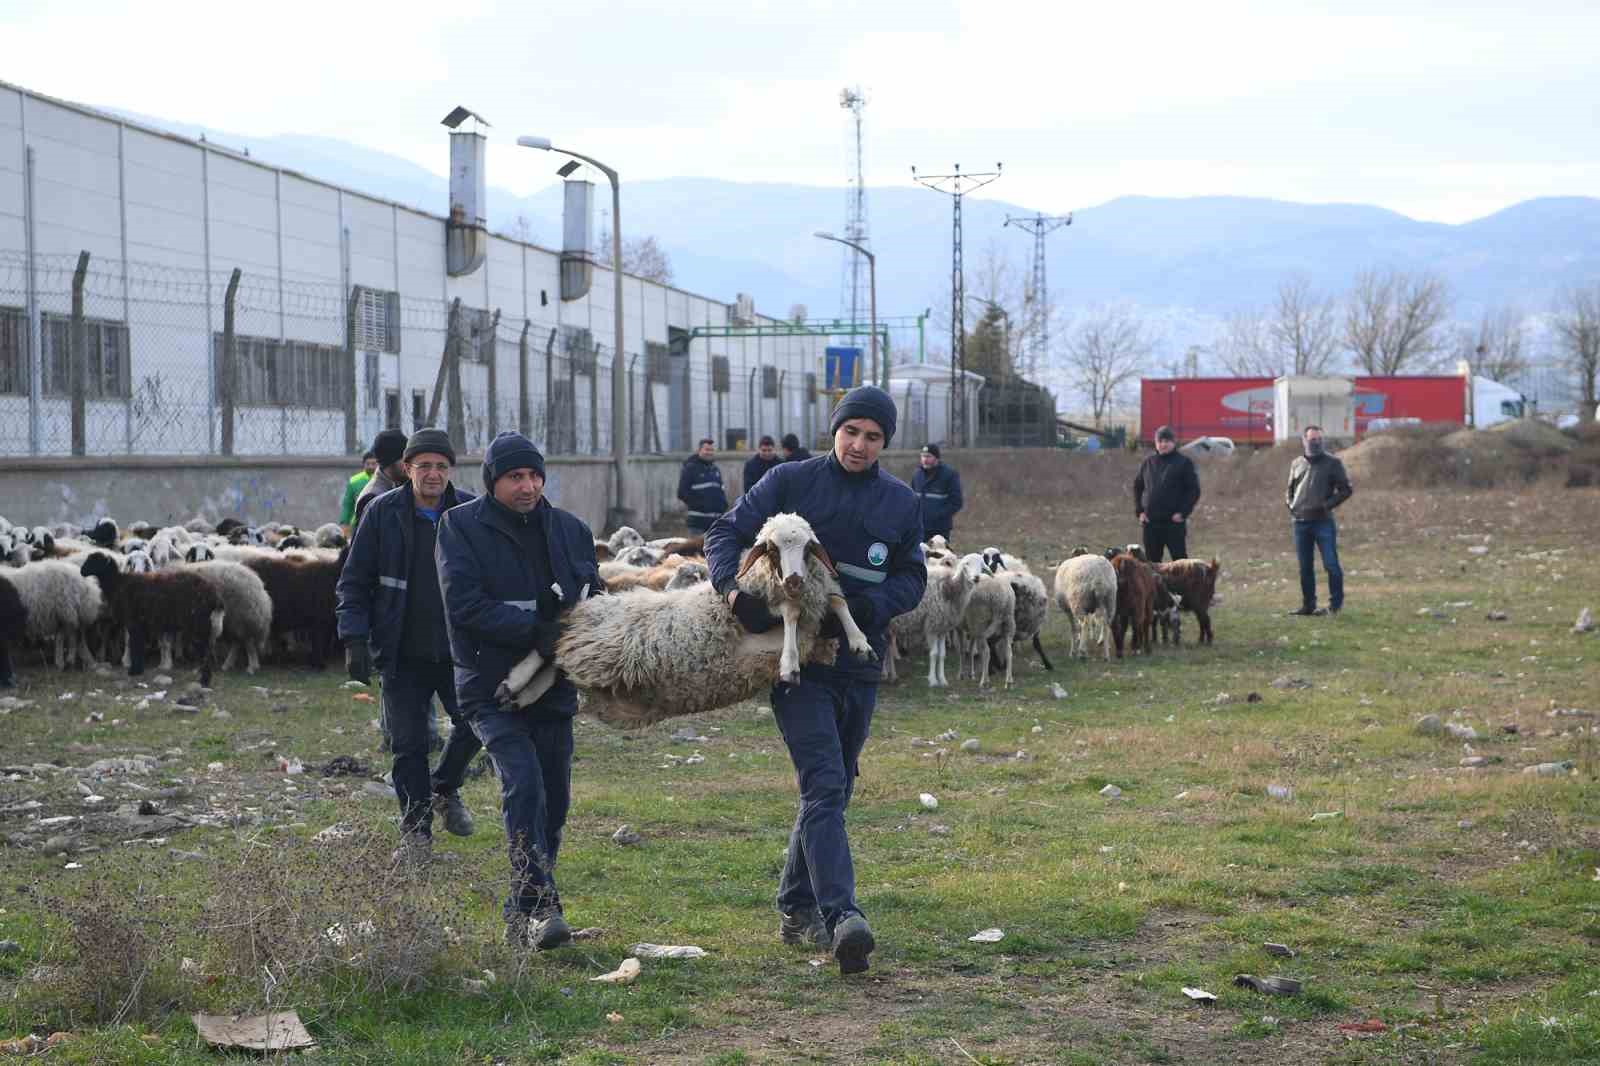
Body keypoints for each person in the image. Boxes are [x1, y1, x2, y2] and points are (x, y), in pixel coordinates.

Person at [705, 385, 927, 976]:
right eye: (851, 432)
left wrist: (872, 608)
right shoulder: (788, 484)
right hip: (797, 662)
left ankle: (793, 902)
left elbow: (913, 577)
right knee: (825, 783)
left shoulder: (901, 503)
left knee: (838, 785)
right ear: (836, 431)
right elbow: (723, 533)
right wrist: (732, 589)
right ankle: (841, 918)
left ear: (885, 443)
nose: (859, 445)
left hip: (858, 659)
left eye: (873, 437)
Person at [437, 431, 601, 950]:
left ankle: (522, 907)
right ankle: (544, 905)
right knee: (523, 783)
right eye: (514, 477)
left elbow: (594, 594)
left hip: (554, 685)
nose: (527, 486)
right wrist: (537, 630)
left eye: (533, 475)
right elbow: (463, 604)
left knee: (555, 798)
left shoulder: (571, 530)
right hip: (492, 685)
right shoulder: (459, 528)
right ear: (492, 482)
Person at [335, 428, 481, 864]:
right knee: (408, 744)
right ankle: (416, 831)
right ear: (408, 468)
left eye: (440, 466)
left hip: (461, 650)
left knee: (477, 723)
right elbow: (354, 580)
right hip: (402, 649)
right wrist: (354, 638)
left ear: (450, 469)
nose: (432, 474)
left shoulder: (472, 511)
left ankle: (445, 786)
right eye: (424, 466)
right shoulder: (382, 513)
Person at [1286, 425, 1353, 616]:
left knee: (1331, 564)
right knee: (1305, 567)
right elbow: (1289, 489)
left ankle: (1335, 606)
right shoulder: (1296, 463)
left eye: (1318, 439)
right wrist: (1291, 505)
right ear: (1303, 440)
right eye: (1312, 439)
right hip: (1300, 522)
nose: (1315, 442)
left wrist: (1326, 505)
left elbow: (1346, 490)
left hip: (1323, 522)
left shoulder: (1333, 463)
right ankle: (1308, 606)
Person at [1132, 425, 1201, 562]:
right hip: (1151, 523)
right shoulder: (1148, 463)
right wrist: (1140, 511)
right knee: (1151, 564)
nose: (1163, 444)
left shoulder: (1183, 463)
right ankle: (1156, 585)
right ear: (1156, 443)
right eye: (1160, 441)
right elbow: (1137, 487)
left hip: (1173, 523)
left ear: (1173, 442)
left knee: (1180, 561)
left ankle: (1182, 585)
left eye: (1166, 441)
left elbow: (1194, 490)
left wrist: (1183, 512)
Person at [354, 428, 410, 527]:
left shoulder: (399, 485)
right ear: (390, 462)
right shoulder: (372, 497)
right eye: (404, 460)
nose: (409, 465)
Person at [910, 444, 963, 544]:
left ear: (937, 458)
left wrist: (938, 515)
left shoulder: (949, 474)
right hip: (920, 527)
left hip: (940, 529)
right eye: (923, 456)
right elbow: (912, 500)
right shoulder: (917, 474)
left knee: (939, 557)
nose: (925, 459)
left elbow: (956, 502)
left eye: (928, 456)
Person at [677, 437, 728, 534]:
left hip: (715, 523)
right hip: (698, 523)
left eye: (711, 450)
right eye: (707, 450)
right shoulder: (690, 468)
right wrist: (701, 505)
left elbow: (721, 492)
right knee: (695, 549)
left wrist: (723, 506)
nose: (709, 452)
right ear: (699, 451)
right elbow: (681, 493)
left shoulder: (715, 470)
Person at [340, 450, 378, 537]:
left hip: (378, 521)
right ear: (363, 464)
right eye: (368, 464)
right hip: (358, 522)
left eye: (373, 463)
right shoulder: (354, 481)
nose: (371, 466)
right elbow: (347, 504)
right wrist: (344, 522)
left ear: (378, 464)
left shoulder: (383, 479)